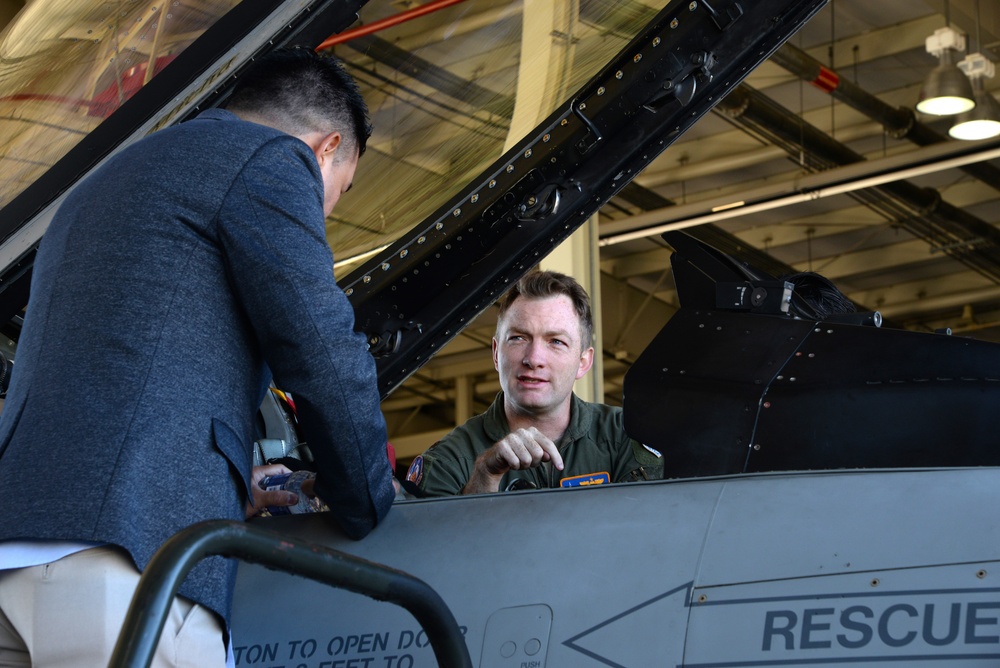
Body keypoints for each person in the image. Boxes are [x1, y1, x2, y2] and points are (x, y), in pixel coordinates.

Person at [0, 48, 395, 666]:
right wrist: (364, 498)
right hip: (129, 564)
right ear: (324, 148)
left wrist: (229, 484)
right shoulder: (271, 158)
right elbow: (318, 348)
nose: (322, 215)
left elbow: (132, 375)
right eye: (334, 195)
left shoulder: (108, 179)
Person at [406, 270, 662, 496]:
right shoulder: (449, 460)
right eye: (518, 338)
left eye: (556, 342)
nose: (534, 359)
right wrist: (484, 478)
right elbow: (435, 546)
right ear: (496, 353)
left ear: (583, 361)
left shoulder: (627, 436)